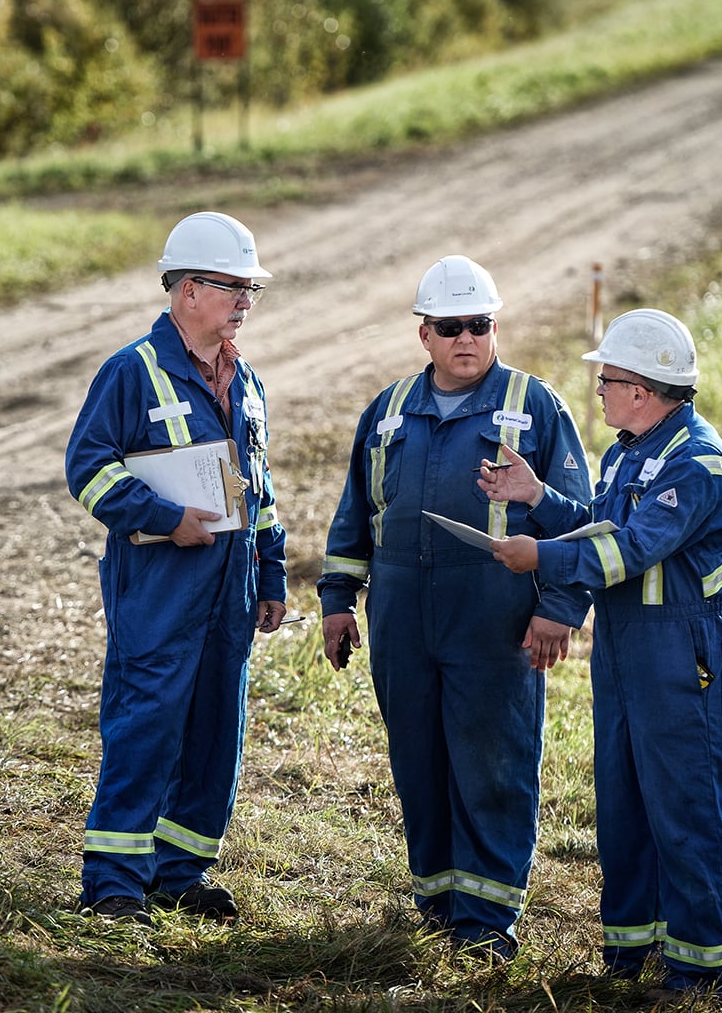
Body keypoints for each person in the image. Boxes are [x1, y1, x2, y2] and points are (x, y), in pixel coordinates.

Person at [317, 255, 593, 961]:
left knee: (493, 760)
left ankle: (487, 920)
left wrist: (560, 607)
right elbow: (356, 515)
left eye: (479, 324)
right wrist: (338, 600)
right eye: (450, 327)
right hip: (401, 612)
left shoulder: (535, 405)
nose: (466, 338)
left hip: (494, 614)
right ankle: (439, 902)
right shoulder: (387, 411)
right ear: (425, 335)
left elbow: (580, 520)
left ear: (495, 328)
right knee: (418, 756)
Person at [478, 307, 722, 1003]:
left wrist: (540, 556)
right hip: (627, 648)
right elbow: (601, 525)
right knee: (625, 803)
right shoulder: (630, 451)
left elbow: (628, 550)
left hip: (683, 653)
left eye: (608, 380)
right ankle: (632, 953)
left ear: (643, 390)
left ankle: (700, 973)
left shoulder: (696, 464)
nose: (598, 391)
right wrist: (539, 497)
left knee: (686, 806)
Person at [64, 211, 289, 927]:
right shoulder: (132, 371)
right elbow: (88, 470)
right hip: (160, 589)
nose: (246, 302)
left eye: (251, 290)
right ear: (188, 289)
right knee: (146, 727)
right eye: (234, 288)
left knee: (215, 732)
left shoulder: (246, 381)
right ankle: (113, 884)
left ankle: (179, 873)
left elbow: (259, 490)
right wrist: (164, 518)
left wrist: (272, 573)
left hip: (231, 591)